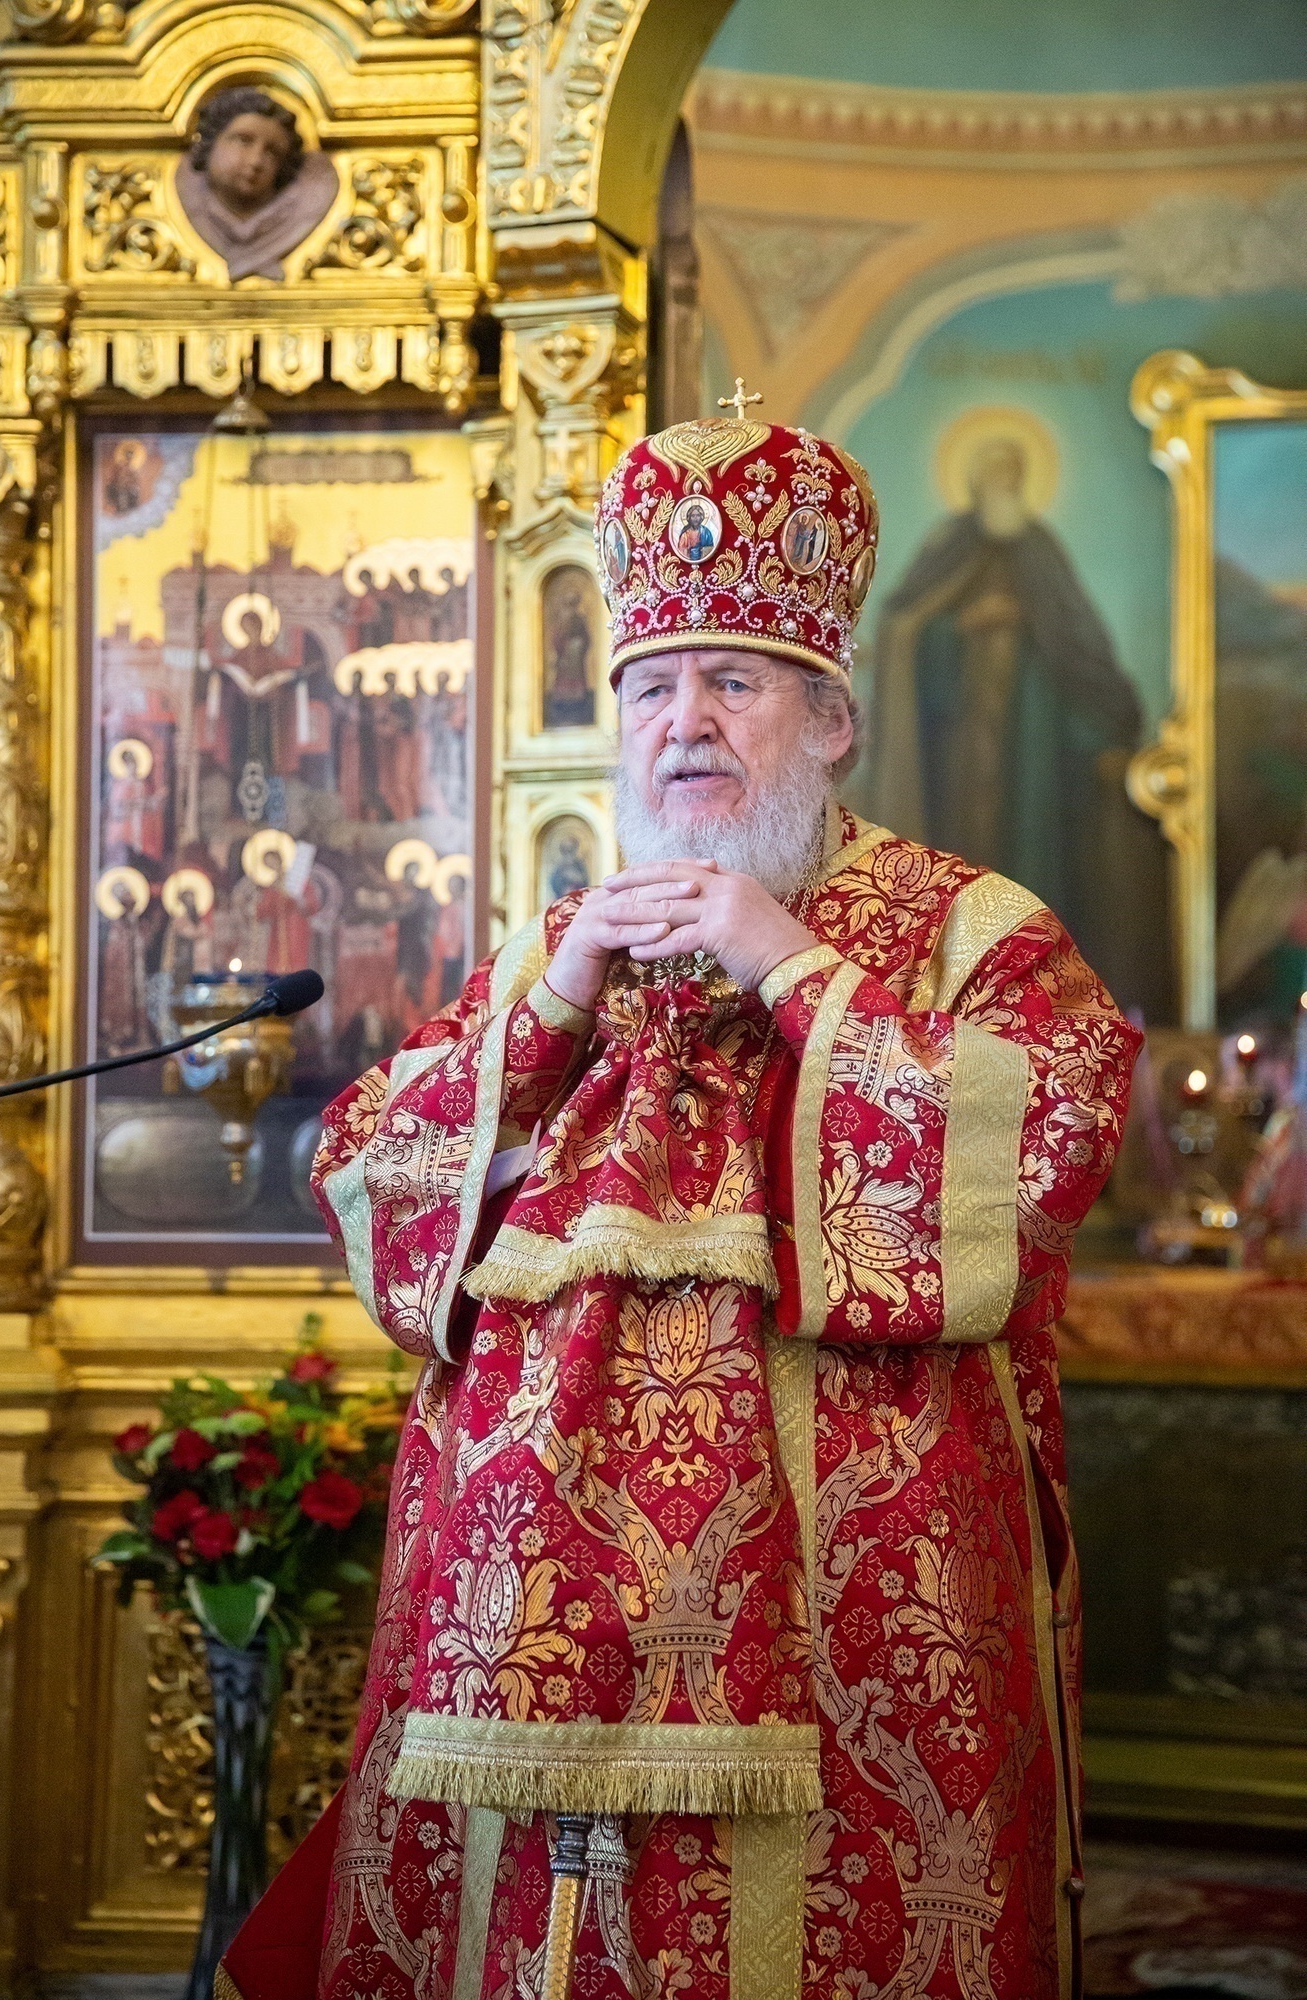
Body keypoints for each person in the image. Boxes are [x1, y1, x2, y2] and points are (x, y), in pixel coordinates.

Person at [220, 408, 1139, 2000]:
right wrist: (550, 1005)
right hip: (530, 1619)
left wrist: (790, 967)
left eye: (732, 683)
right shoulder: (561, 943)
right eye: (650, 687)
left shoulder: (967, 930)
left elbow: (1045, 1146)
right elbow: (369, 1173)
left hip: (851, 1613)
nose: (683, 724)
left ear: (830, 717)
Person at [864, 431, 1170, 1018]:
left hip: (1033, 744)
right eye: (993, 471)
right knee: (961, 841)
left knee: (1034, 849)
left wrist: (1031, 630)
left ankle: (1036, 979)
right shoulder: (949, 545)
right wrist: (961, 627)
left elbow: (1076, 637)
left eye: (1012, 471)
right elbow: (904, 626)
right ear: (975, 481)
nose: (1002, 482)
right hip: (959, 740)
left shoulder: (1040, 550)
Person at [175, 85, 338, 283]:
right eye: (244, 140)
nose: (256, 161)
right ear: (211, 140)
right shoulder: (186, 197)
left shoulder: (303, 211)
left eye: (272, 152)